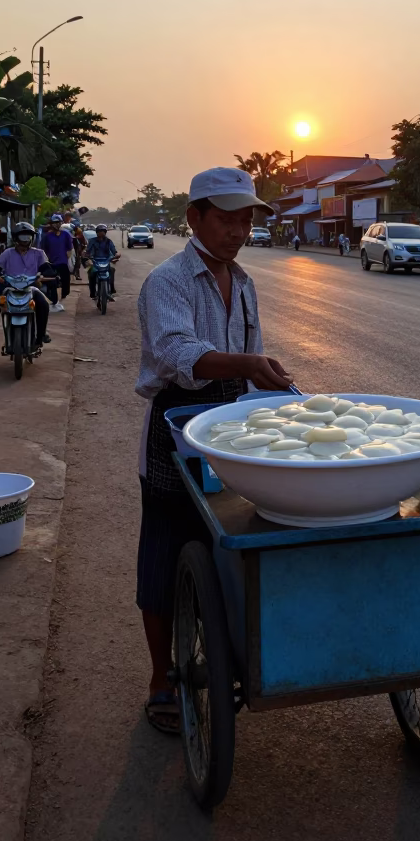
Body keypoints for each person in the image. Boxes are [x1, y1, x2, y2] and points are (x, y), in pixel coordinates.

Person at [135, 166, 293, 734]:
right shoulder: (168, 281)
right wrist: (249, 364)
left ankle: (224, 653)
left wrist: (270, 395)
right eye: (227, 219)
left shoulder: (244, 282)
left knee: (229, 546)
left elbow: (250, 361)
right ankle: (160, 680)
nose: (238, 230)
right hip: (178, 423)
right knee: (164, 551)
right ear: (195, 217)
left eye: (246, 219)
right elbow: (179, 352)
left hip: (233, 425)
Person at [0, 222, 52, 346]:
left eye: (28, 236)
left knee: (43, 305)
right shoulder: (7, 253)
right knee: (3, 305)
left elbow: (46, 267)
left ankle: (41, 335)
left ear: (33, 237)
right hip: (10, 287)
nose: (26, 240)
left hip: (32, 287)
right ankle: (9, 333)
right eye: (22, 236)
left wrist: (46, 273)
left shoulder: (39, 253)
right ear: (16, 237)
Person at [41, 213, 73, 309]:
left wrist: (69, 260)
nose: (56, 224)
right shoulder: (47, 236)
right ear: (51, 224)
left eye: (58, 222)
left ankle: (64, 294)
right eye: (54, 222)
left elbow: (69, 248)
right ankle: (53, 299)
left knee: (66, 280)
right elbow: (43, 249)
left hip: (63, 261)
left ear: (61, 223)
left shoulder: (66, 234)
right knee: (51, 281)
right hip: (51, 262)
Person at [86, 224, 120, 299]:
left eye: (103, 231)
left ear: (105, 232)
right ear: (97, 232)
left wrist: (117, 255)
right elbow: (87, 251)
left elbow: (114, 251)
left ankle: (111, 290)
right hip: (95, 261)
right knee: (91, 273)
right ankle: (93, 293)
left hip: (106, 260)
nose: (101, 233)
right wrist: (87, 256)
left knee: (111, 270)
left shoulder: (109, 241)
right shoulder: (92, 241)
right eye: (99, 231)